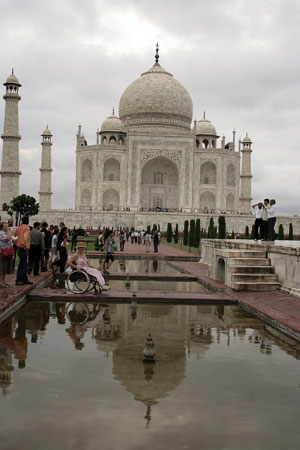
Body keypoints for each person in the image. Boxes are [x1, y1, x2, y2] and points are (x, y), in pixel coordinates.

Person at [14, 216, 33, 286]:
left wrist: (17, 244)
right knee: (22, 264)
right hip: (23, 248)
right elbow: (25, 238)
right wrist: (25, 246)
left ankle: (24, 279)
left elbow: (14, 237)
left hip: (19, 247)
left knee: (24, 264)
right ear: (27, 221)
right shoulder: (27, 228)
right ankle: (19, 280)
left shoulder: (19, 228)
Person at [0, 222, 14, 287]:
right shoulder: (1, 233)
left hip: (7, 251)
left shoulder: (6, 233)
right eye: (5, 226)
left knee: (5, 267)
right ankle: (1, 282)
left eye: (7, 226)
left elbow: (11, 240)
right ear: (2, 227)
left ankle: (3, 281)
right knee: (1, 267)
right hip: (2, 252)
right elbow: (8, 238)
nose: (7, 227)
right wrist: (9, 232)